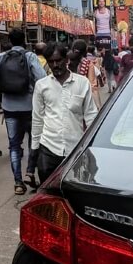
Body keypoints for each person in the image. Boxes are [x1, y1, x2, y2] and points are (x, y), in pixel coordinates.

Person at [0, 28, 47, 194]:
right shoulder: (30, 57)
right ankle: (30, 172)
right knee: (33, 142)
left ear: (9, 40)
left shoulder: (0, 58)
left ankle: (18, 183)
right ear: (24, 40)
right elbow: (42, 78)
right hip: (30, 107)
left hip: (9, 108)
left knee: (14, 146)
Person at [32, 43, 98, 184]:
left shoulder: (82, 83)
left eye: (58, 60)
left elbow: (91, 116)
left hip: (76, 149)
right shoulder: (41, 86)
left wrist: (93, 145)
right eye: (51, 62)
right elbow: (37, 119)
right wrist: (35, 150)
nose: (55, 65)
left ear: (66, 60)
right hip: (49, 147)